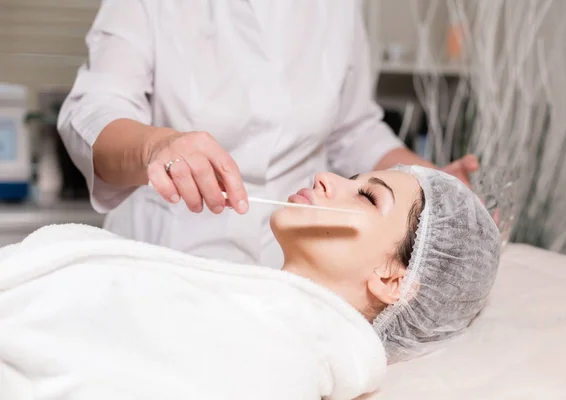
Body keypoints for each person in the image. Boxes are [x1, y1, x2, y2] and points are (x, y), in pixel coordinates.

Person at [0, 166, 500, 399]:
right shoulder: (253, 311)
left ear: (394, 279)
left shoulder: (282, 362)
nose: (328, 177)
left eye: (368, 198)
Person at [57, 0, 480, 267]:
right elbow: (94, 109)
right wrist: (155, 146)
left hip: (300, 261)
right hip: (168, 254)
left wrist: (436, 187)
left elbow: (354, 130)